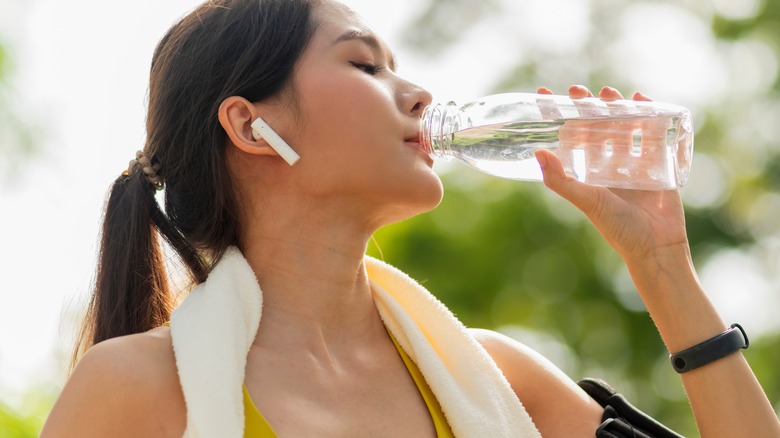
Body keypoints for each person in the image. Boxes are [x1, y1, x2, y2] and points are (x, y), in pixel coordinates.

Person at [41, 0, 780, 436]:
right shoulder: (135, 390)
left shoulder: (501, 375)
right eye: (365, 66)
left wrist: (662, 267)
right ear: (250, 125)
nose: (421, 93)